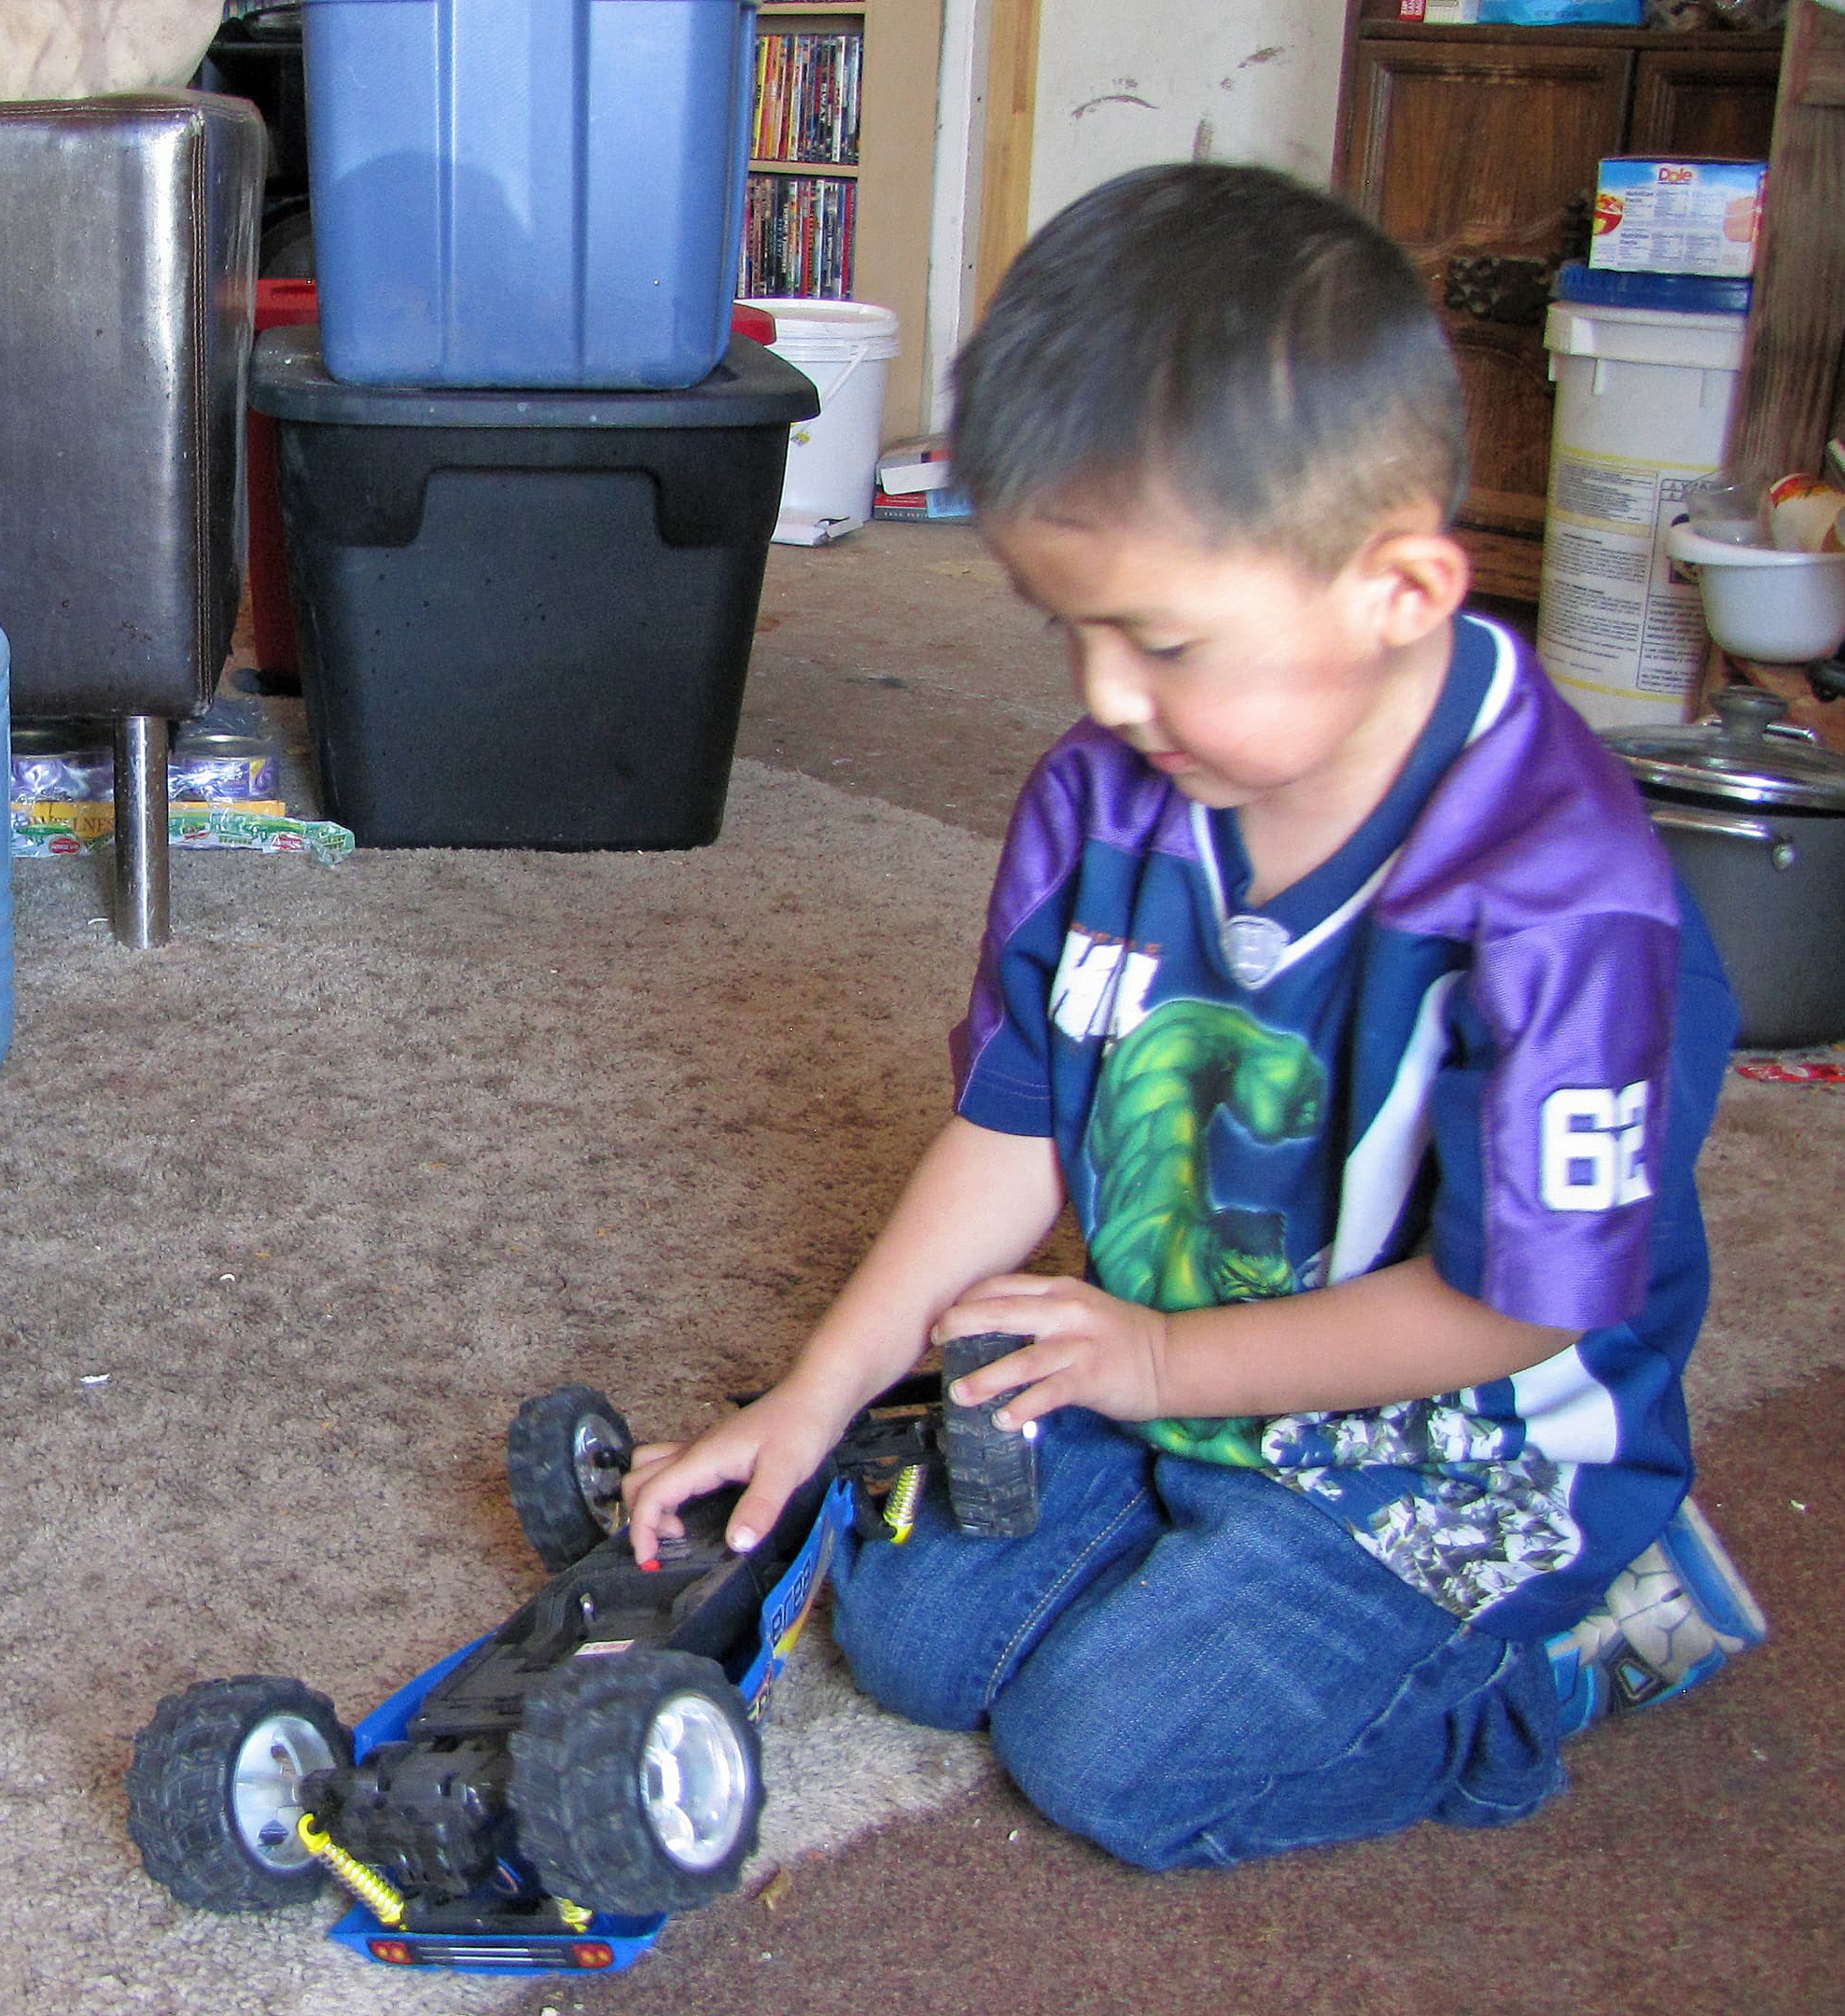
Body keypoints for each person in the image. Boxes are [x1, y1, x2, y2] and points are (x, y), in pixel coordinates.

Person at [621, 162, 1767, 1871]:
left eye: (1158, 641)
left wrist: (1153, 1360)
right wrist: (816, 1388)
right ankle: (1183, 1513)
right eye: (1072, 632)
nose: (1099, 698)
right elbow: (1015, 1114)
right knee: (913, 1635)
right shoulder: (1107, 799)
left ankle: (1559, 1656)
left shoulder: (1570, 903)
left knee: (1114, 1757)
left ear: (1400, 592)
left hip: (1455, 1449)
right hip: (1186, 1374)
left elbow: (1511, 1310)